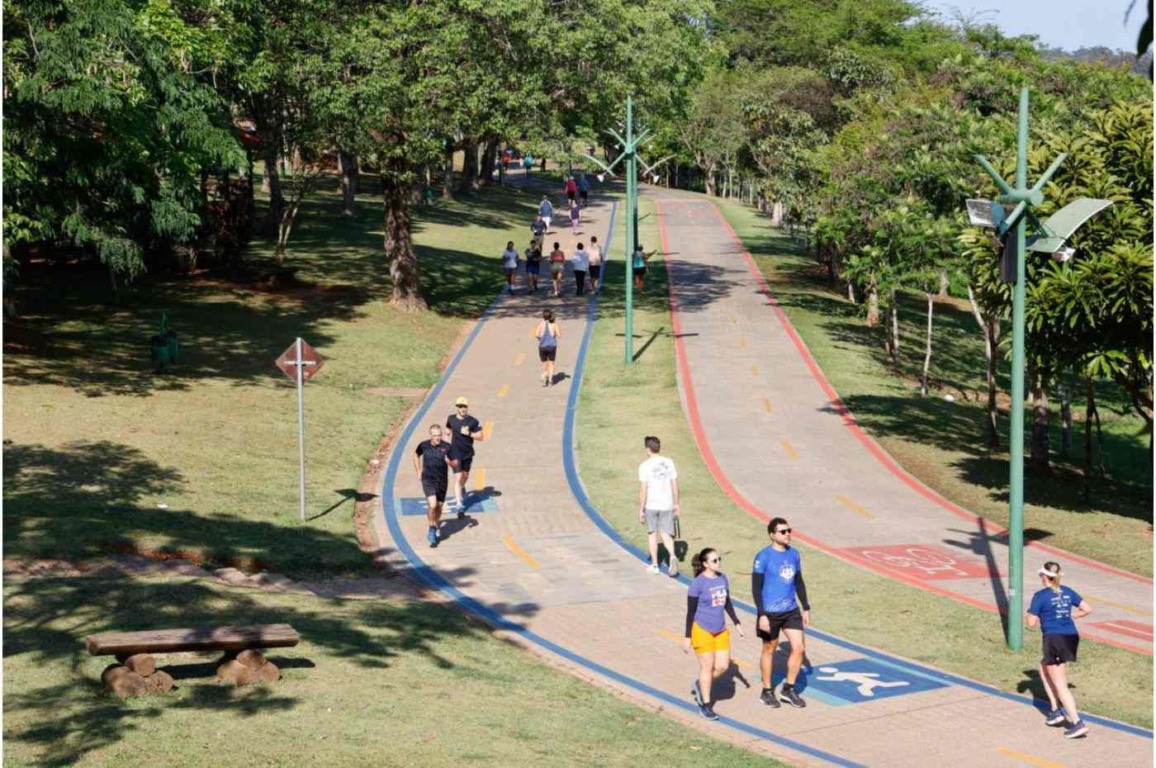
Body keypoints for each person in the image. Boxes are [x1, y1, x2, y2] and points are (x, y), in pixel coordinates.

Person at [1027, 561, 1093, 739]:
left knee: (1060, 684)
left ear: (1044, 577)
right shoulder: (1068, 591)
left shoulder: (1040, 596)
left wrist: (1034, 616)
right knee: (1043, 667)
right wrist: (1071, 615)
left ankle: (1077, 722)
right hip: (1070, 636)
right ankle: (1055, 710)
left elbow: (1031, 623)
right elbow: (1087, 609)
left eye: (1040, 575)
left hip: (1054, 639)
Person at [752, 518, 811, 709]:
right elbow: (756, 588)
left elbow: (799, 581)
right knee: (769, 649)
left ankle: (788, 689)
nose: (787, 534)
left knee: (799, 648)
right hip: (770, 613)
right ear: (772, 535)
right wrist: (761, 614)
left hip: (791, 610)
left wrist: (806, 607)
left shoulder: (794, 554)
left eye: (789, 530)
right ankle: (767, 691)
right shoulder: (763, 557)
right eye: (783, 531)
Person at [684, 547, 745, 721]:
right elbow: (690, 612)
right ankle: (705, 705)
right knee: (707, 666)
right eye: (714, 560)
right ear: (705, 564)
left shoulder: (722, 578)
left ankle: (701, 683)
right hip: (702, 629)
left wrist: (737, 622)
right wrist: (687, 637)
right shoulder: (697, 584)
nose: (718, 562)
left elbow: (727, 602)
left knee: (723, 666)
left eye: (719, 559)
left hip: (720, 629)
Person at [637, 435, 679, 576]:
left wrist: (641, 508)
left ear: (648, 449)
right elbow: (674, 484)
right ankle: (672, 556)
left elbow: (643, 489)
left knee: (652, 534)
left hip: (652, 504)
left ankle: (655, 564)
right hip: (667, 503)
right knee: (666, 533)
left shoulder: (644, 466)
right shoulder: (669, 462)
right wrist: (676, 503)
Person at [413, 425, 453, 547]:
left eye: (439, 435)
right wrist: (418, 470)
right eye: (435, 436)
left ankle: (435, 523)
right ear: (430, 435)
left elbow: (456, 463)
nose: (437, 438)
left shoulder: (447, 447)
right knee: (433, 504)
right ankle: (431, 528)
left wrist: (450, 462)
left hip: (442, 481)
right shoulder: (423, 445)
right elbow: (416, 454)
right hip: (428, 479)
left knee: (439, 507)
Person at [445, 397, 484, 512]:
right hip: (454, 453)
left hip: (467, 453)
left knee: (465, 475)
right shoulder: (451, 418)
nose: (463, 409)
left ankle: (461, 488)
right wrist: (446, 441)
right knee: (458, 477)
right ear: (457, 408)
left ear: (467, 407)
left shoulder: (473, 421)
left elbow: (481, 436)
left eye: (464, 407)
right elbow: (448, 428)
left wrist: (469, 433)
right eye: (460, 406)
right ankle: (459, 502)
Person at [535, 309, 561, 386]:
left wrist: (541, 339)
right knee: (551, 363)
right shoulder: (554, 325)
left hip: (542, 346)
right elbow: (559, 335)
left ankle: (545, 374)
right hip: (552, 346)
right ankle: (550, 380)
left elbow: (536, 335)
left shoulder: (540, 324)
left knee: (544, 363)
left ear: (543, 316)